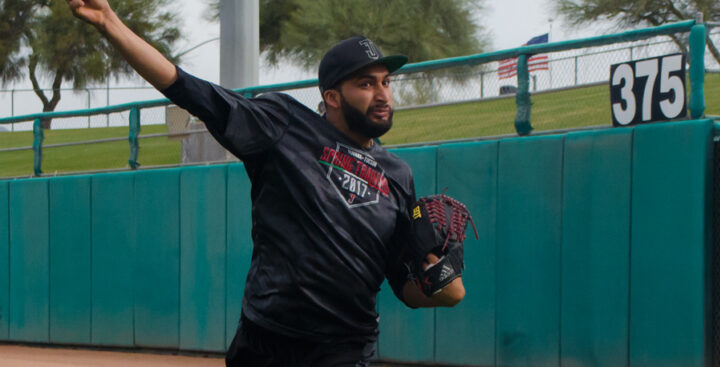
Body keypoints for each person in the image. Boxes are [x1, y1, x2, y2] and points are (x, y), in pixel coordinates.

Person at [67, 0, 466, 365]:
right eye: (365, 83)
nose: (382, 94)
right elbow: (191, 90)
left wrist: (441, 281)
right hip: (266, 340)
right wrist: (110, 23)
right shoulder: (285, 126)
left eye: (386, 82)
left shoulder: (398, 175)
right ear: (332, 96)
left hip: (343, 349)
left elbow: (406, 288)